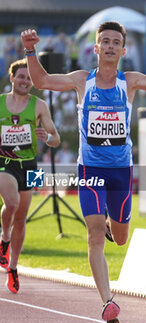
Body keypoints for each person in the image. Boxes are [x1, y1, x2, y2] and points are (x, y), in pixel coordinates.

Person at [21, 21, 146, 323]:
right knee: (94, 236)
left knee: (119, 239)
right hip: (90, 169)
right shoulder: (82, 80)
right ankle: (107, 301)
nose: (110, 46)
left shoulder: (131, 82)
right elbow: (41, 80)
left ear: (123, 50)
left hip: (121, 171)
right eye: (104, 41)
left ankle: (114, 224)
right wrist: (30, 50)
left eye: (115, 42)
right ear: (96, 48)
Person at [0, 58, 60, 294]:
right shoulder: (0, 103)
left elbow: (56, 139)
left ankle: (13, 268)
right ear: (12, 78)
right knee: (12, 203)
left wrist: (45, 136)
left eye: (29, 78)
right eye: (21, 77)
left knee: (22, 218)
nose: (25, 81)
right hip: (5, 162)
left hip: (31, 165)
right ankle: (4, 237)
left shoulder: (39, 106)